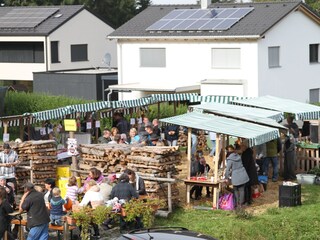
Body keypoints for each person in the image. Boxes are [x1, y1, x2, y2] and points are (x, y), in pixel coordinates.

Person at [240, 140, 258, 205]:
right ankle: (249, 200)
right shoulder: (249, 152)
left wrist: (241, 170)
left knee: (246, 187)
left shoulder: (246, 154)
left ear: (244, 146)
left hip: (247, 173)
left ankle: (246, 201)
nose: (241, 148)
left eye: (241, 146)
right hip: (250, 172)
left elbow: (245, 164)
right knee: (249, 187)